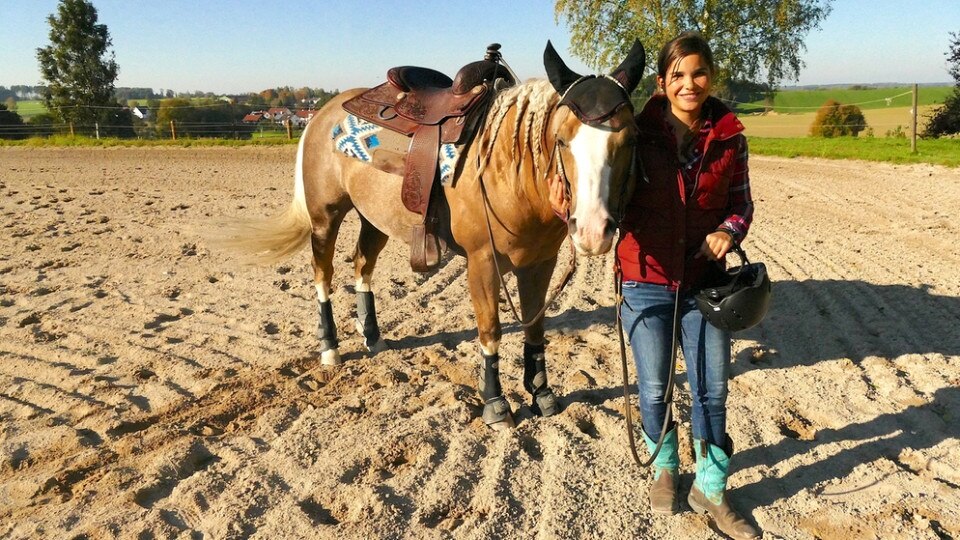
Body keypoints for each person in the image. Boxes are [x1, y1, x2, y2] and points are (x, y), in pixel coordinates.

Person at [549, 32, 759, 539]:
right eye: (678, 75)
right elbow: (598, 182)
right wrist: (567, 206)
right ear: (661, 82)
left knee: (712, 391)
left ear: (711, 76)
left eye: (699, 73)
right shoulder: (632, 132)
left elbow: (741, 202)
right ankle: (665, 465)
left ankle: (711, 485)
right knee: (653, 386)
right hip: (645, 278)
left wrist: (726, 232)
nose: (690, 84)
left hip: (706, 284)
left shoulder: (731, 136)